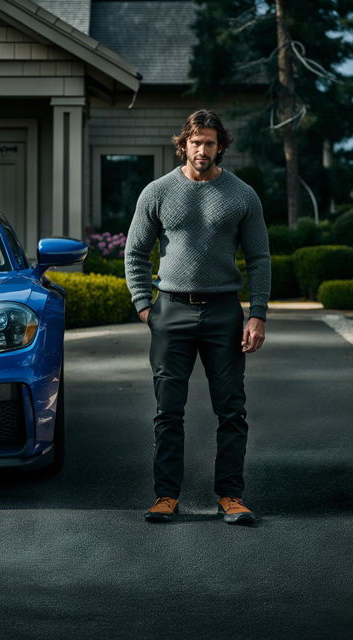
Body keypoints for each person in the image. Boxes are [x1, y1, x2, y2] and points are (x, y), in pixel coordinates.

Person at [124, 109, 270, 525]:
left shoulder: (242, 195)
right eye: (195, 142)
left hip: (225, 312)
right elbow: (135, 252)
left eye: (209, 142)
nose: (201, 149)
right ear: (183, 144)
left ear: (219, 145)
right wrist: (144, 306)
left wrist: (257, 315)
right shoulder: (157, 192)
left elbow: (259, 259)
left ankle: (231, 496)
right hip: (171, 310)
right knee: (168, 410)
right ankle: (166, 496)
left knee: (231, 411)